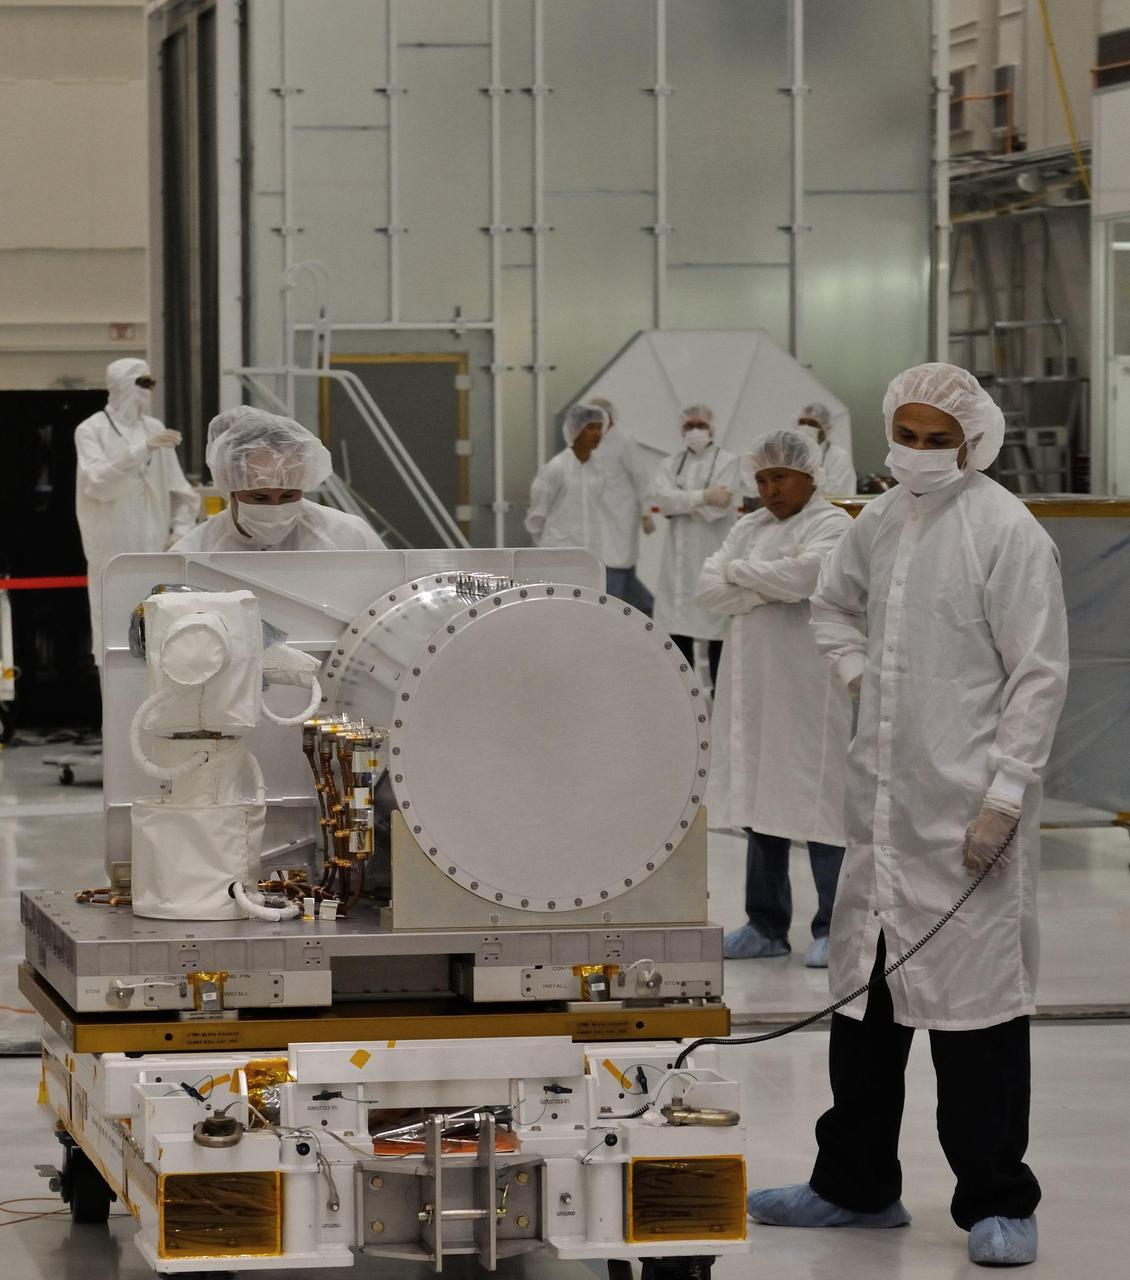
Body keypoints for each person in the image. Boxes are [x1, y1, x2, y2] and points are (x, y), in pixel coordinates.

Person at [746, 363, 1069, 1269]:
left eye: (938, 441)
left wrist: (1004, 797)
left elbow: (1039, 676)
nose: (919, 453)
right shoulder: (881, 521)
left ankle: (998, 1201)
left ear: (973, 443)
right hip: (883, 811)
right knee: (865, 1008)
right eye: (908, 436)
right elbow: (831, 604)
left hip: (965, 815)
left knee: (977, 1020)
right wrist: (858, 675)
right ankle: (854, 1186)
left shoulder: (1006, 532)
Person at [694, 430, 852, 968]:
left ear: (810, 475)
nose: (770, 489)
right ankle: (765, 926)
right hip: (753, 691)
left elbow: (808, 576)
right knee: (759, 803)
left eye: (780, 477)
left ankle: (834, 927)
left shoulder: (833, 524)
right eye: (762, 479)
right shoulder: (749, 527)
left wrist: (740, 577)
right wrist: (766, 588)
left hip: (810, 690)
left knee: (820, 801)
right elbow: (706, 590)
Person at [75, 358, 199, 663]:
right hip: (113, 552)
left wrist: (181, 530)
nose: (150, 390)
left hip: (157, 551)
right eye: (144, 383)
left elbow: (182, 492)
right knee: (114, 630)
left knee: (163, 634)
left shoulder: (154, 428)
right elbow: (97, 482)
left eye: (152, 383)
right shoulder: (91, 430)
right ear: (122, 385)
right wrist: (142, 449)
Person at [171, 407, 385, 551]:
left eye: (288, 496)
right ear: (230, 485)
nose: (275, 509)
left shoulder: (348, 538)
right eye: (260, 497)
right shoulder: (196, 551)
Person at [651, 405, 738, 688]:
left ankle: (719, 696)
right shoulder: (671, 463)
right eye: (689, 426)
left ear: (712, 428)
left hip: (712, 554)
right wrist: (703, 497)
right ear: (681, 431)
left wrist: (684, 503)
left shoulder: (728, 461)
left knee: (717, 629)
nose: (696, 431)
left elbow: (719, 509)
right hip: (677, 561)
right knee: (678, 630)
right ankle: (684, 695)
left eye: (701, 425)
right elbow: (664, 502)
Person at [588, 396, 656, 615]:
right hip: (600, 516)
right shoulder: (591, 441)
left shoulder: (624, 441)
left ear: (610, 417)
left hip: (622, 515)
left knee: (617, 567)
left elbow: (641, 478)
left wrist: (647, 512)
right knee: (616, 569)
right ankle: (648, 609)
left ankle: (613, 617)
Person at [525, 403, 607, 559]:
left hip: (591, 554)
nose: (597, 434)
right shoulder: (557, 467)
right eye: (591, 428)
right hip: (558, 553)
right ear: (575, 430)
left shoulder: (598, 470)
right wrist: (547, 545)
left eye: (600, 428)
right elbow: (537, 514)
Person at [795, 402, 857, 496]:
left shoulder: (838, 457)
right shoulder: (794, 454)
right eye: (802, 423)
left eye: (812, 424)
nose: (806, 427)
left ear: (825, 427)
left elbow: (837, 492)